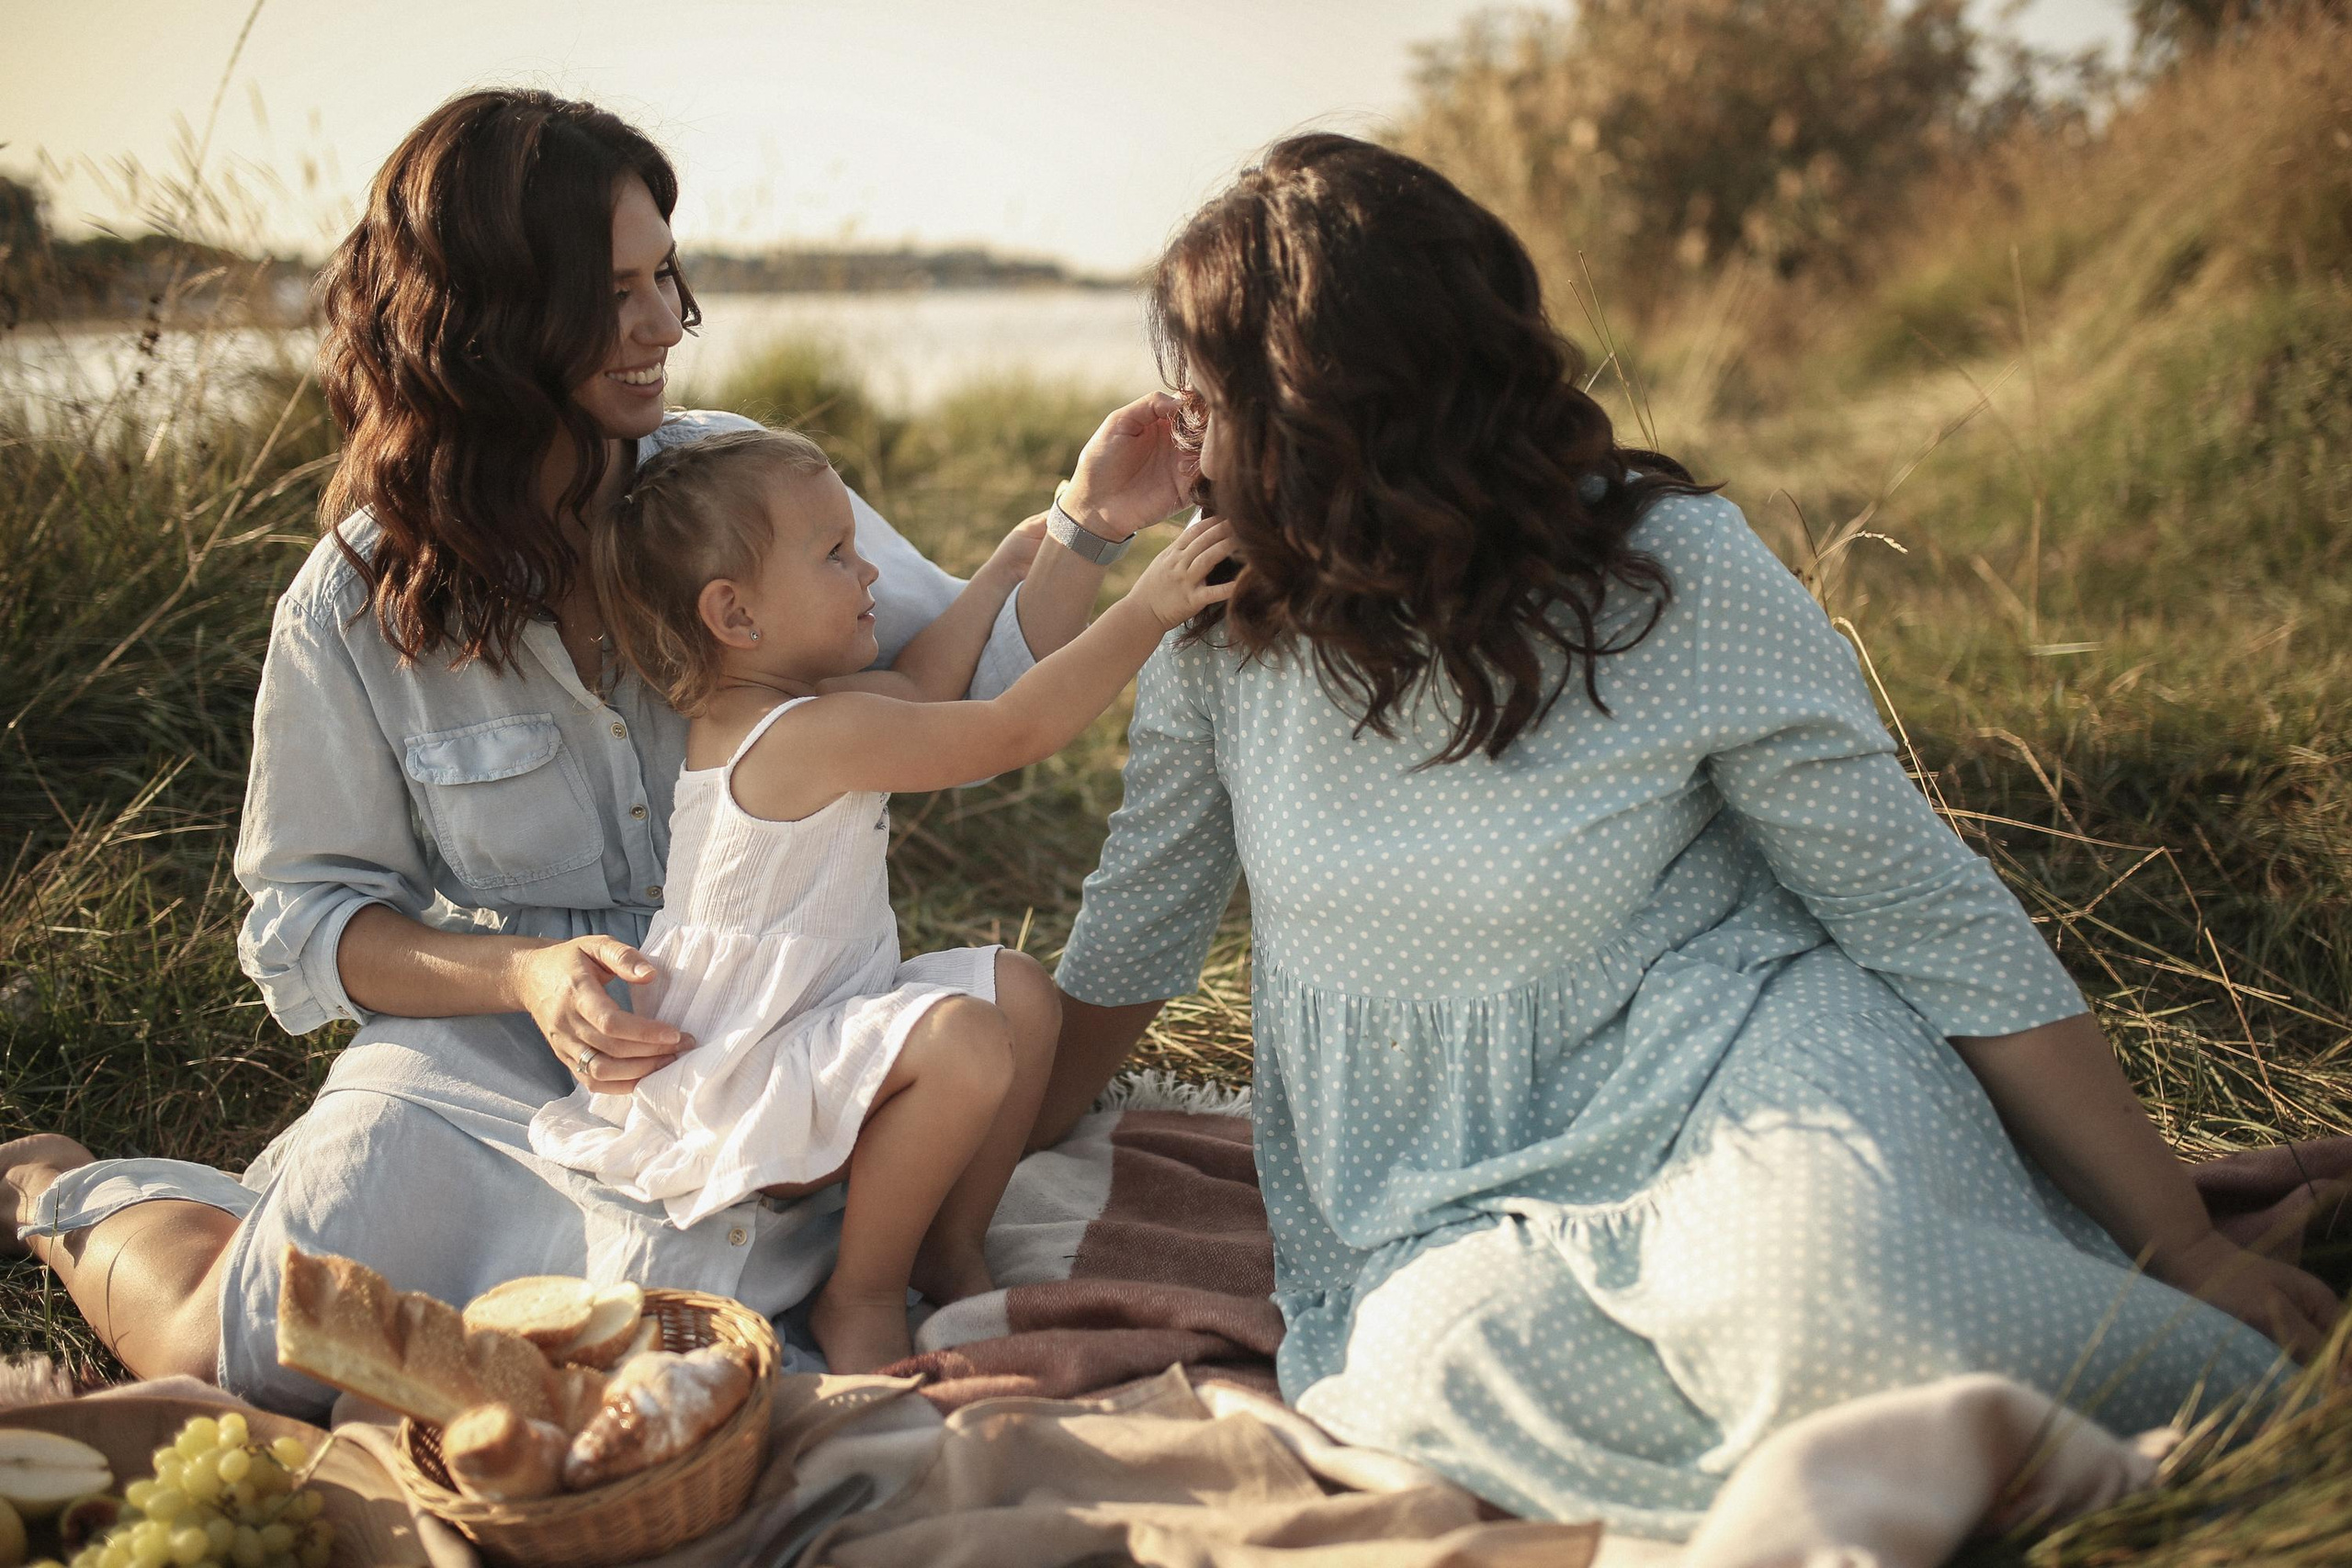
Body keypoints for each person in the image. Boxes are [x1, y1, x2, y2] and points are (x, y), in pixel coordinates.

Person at [1032, 134, 2342, 1539]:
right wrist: (987, 1165)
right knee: (1427, 1380)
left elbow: (1922, 908)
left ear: (1330, 406)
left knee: (1841, 1328)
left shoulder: (1669, 573)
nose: (1182, 426)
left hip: (1733, 1061)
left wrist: (2184, 1240)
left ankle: (2028, 1407)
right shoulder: (1221, 618)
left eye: (1209, 389)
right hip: (1422, 1177)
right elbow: (1140, 923)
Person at [0, 88, 1166, 1413]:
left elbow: (963, 685)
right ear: (487, 315)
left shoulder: (736, 496)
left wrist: (1086, 526)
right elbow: (310, 921)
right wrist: (527, 971)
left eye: (665, 274)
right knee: (255, 1349)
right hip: (482, 1059)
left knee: (684, 1338)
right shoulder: (350, 601)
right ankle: (53, 1183)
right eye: (613, 288)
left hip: (753, 1035)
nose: (665, 321)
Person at [528, 427, 1236, 1371]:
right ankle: (858, 1297)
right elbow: (1009, 729)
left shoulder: (778, 712)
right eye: (834, 555)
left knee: (1017, 992)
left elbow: (915, 683)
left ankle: (949, 1248)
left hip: (804, 1024)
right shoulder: (809, 736)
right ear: (735, 615)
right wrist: (1145, 610)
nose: (868, 573)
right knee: (967, 1039)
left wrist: (992, 582)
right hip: (745, 1076)